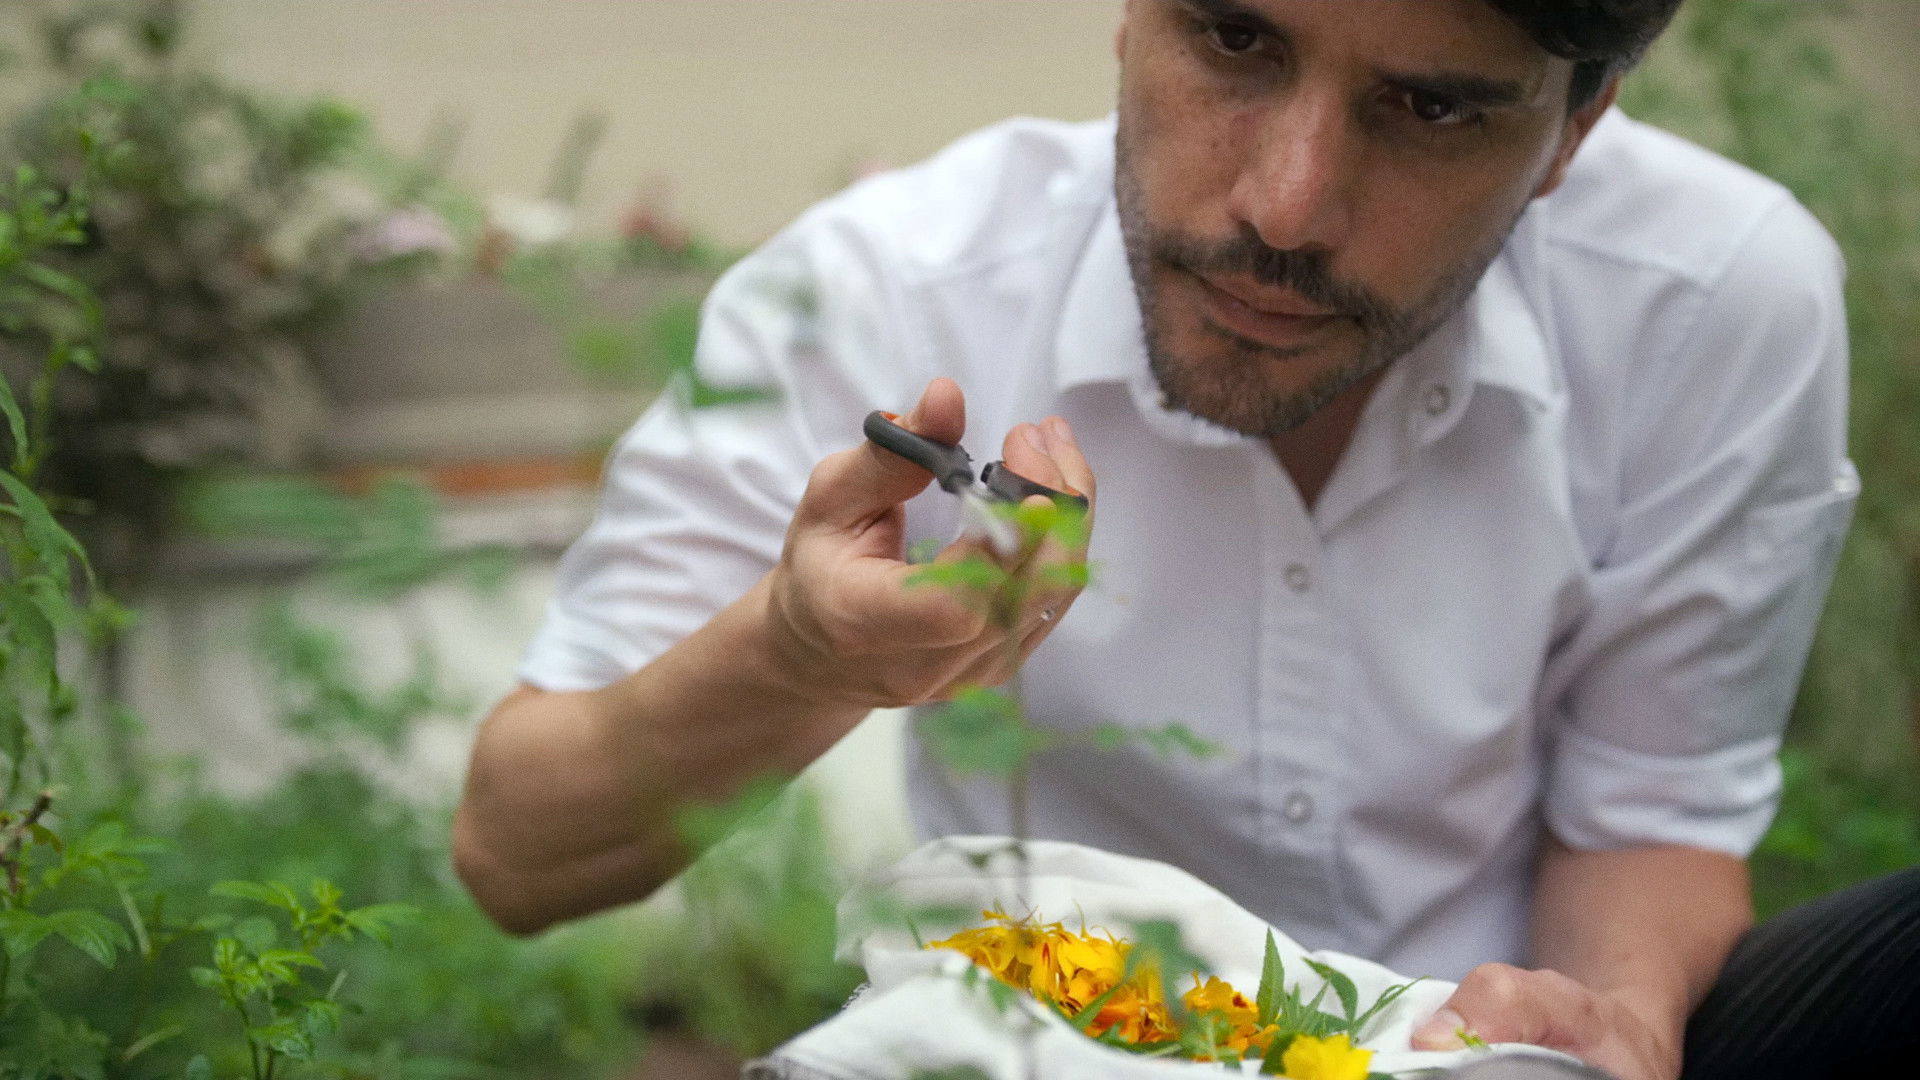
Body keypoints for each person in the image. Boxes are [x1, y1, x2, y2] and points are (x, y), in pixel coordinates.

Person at [453, 2, 1917, 1077]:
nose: (1286, 206)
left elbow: (1651, 813)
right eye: (1234, 39)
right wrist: (798, 659)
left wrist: (1608, 1028)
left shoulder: (1714, 297)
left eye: (1430, 109)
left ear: (1570, 137)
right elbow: (518, 851)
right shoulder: (885, 286)